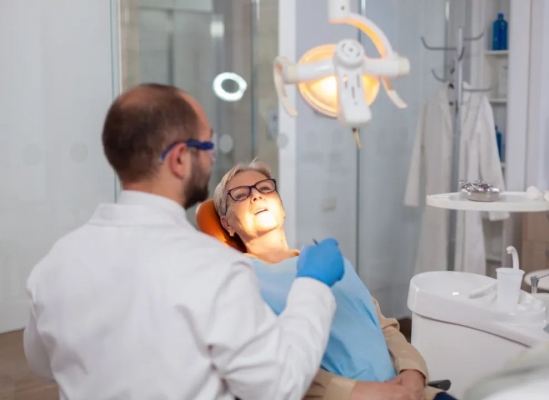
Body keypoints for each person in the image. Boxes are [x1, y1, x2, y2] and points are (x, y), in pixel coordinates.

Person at [23, 84, 347, 400]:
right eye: (207, 146)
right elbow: (278, 387)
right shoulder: (214, 268)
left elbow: (44, 365)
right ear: (179, 159)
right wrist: (313, 285)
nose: (211, 159)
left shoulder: (54, 266)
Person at [213, 160, 455, 400]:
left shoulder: (327, 261)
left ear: (282, 207)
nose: (256, 196)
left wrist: (413, 372)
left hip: (411, 392)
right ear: (227, 224)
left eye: (265, 188)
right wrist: (367, 392)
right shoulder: (243, 282)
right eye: (241, 195)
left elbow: (384, 328)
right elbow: (275, 369)